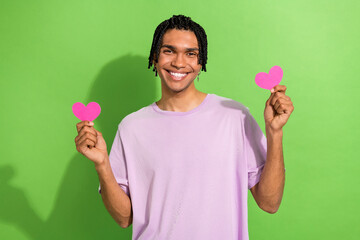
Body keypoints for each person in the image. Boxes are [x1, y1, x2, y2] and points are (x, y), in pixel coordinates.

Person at [74, 14, 294, 240]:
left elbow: (270, 203)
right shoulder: (132, 127)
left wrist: (274, 132)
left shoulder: (234, 116)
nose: (179, 63)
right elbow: (124, 218)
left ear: (201, 63)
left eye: (191, 54)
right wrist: (102, 164)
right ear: (155, 57)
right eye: (169, 51)